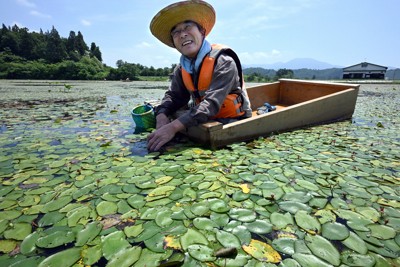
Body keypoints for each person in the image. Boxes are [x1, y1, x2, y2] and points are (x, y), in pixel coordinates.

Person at [147, 0, 252, 152]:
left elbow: (211, 104)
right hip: (202, 120)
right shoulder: (181, 68)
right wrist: (162, 115)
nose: (182, 34)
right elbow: (174, 97)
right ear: (174, 42)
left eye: (187, 27)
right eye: (176, 32)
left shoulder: (224, 62)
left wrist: (173, 127)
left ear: (201, 32)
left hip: (233, 120)